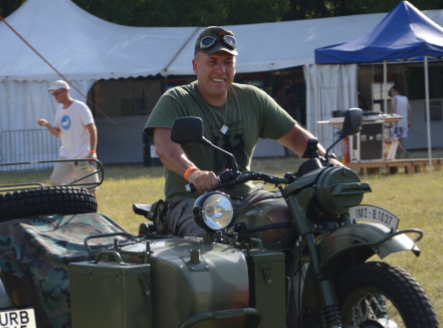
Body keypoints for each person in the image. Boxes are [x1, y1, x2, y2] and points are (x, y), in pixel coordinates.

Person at [144, 26, 341, 237]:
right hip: (193, 202)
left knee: (302, 219)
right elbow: (164, 144)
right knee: (215, 245)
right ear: (195, 66)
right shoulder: (176, 100)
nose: (221, 70)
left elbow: (295, 136)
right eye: (212, 62)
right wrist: (193, 173)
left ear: (235, 67)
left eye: (228, 62)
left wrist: (328, 162)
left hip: (247, 197)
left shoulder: (253, 99)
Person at [37, 80, 99, 198]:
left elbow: (93, 129)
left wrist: (92, 152)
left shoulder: (80, 107)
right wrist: (47, 124)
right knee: (55, 183)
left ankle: (93, 215)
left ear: (66, 92)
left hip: (82, 155)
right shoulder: (60, 109)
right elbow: (58, 133)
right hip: (65, 154)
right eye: (53, 94)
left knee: (90, 188)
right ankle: (65, 210)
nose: (55, 96)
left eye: (57, 93)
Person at [390, 86, 411, 157]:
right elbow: (410, 110)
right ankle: (400, 155)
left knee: (395, 138)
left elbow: (393, 107)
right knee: (401, 138)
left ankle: (405, 151)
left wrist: (391, 116)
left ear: (396, 91)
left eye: (392, 91)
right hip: (404, 121)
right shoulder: (405, 98)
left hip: (396, 120)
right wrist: (409, 121)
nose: (391, 93)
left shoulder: (394, 98)